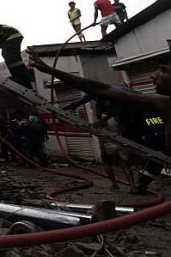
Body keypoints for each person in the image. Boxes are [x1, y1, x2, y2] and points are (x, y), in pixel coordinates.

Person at [27, 50, 171, 171]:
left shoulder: (162, 104)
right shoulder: (162, 103)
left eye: (163, 70)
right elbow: (100, 89)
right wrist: (49, 70)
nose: (153, 75)